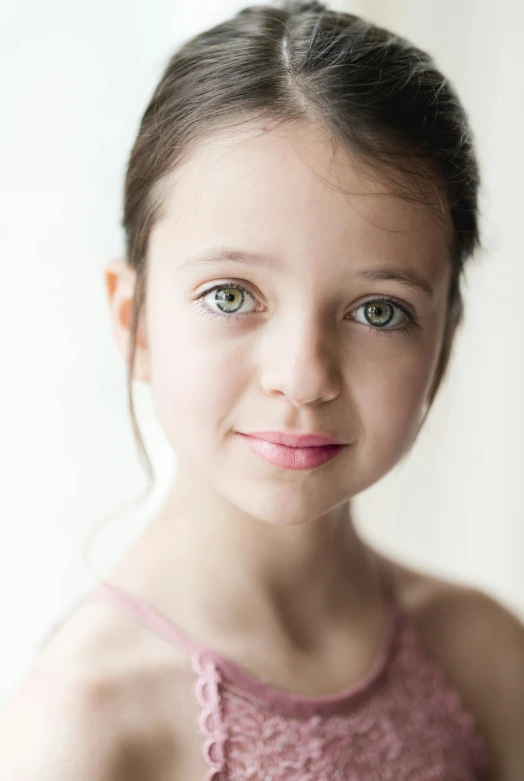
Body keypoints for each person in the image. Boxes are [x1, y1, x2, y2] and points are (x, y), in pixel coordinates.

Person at [1, 1, 523, 778]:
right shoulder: (86, 726)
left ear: (444, 339)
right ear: (134, 320)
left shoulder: (485, 653)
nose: (304, 375)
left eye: (380, 310)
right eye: (231, 295)